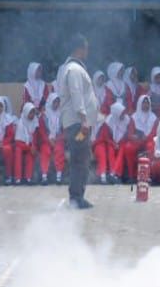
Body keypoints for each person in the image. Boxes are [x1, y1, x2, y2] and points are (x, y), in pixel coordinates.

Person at [56, 34, 98, 209]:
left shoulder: (70, 68)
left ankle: (78, 195)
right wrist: (83, 119)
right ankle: (76, 197)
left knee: (81, 158)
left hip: (76, 123)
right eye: (86, 47)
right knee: (80, 159)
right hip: (77, 124)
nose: (87, 51)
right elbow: (76, 94)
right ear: (79, 49)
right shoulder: (73, 69)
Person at [94, 101, 130, 184]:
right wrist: (79, 139)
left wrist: (116, 143)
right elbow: (82, 132)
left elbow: (128, 133)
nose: (123, 114)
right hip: (99, 142)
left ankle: (113, 174)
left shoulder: (103, 119)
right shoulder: (108, 121)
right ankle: (103, 176)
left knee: (116, 150)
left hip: (118, 142)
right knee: (104, 150)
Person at [126, 94, 158, 179]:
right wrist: (135, 138)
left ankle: (148, 175)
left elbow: (154, 133)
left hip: (148, 140)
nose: (146, 105)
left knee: (151, 146)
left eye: (147, 103)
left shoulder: (153, 117)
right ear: (140, 104)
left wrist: (146, 138)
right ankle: (131, 175)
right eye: (144, 103)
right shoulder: (134, 117)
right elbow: (130, 133)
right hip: (137, 141)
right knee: (128, 148)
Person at [10, 102, 43, 185]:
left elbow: (35, 137)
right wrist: (30, 148)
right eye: (30, 112)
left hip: (30, 145)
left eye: (33, 112)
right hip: (21, 145)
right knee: (18, 151)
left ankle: (28, 178)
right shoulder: (20, 123)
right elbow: (17, 142)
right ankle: (18, 178)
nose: (32, 115)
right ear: (26, 112)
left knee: (30, 155)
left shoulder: (35, 122)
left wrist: (33, 147)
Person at [40, 94, 66, 185]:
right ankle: (44, 176)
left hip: (58, 140)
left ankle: (59, 176)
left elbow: (63, 131)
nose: (56, 104)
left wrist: (58, 139)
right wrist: (49, 140)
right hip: (46, 140)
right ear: (50, 102)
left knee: (59, 150)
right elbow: (42, 132)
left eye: (58, 102)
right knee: (45, 151)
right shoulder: (44, 115)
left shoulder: (61, 114)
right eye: (54, 102)